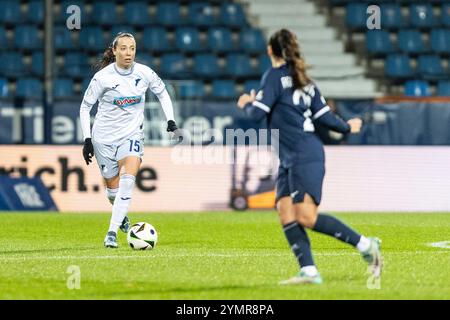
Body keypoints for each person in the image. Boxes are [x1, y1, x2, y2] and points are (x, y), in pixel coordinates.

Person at [236, 29, 382, 284]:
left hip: (304, 155)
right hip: (291, 156)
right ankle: (309, 271)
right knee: (285, 210)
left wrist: (247, 102)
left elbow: (254, 116)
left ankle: (366, 245)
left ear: (270, 50)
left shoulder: (272, 77)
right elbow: (325, 117)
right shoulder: (305, 80)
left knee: (306, 216)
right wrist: (348, 126)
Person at [79, 32, 179, 248]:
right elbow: (86, 107)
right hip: (103, 139)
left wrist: (170, 120)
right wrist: (87, 139)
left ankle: (111, 233)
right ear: (114, 51)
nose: (128, 53)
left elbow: (162, 93)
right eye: (123, 48)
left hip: (132, 135)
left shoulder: (145, 73)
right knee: (112, 193)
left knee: (127, 182)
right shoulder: (103, 77)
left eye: (132, 48)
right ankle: (120, 214)